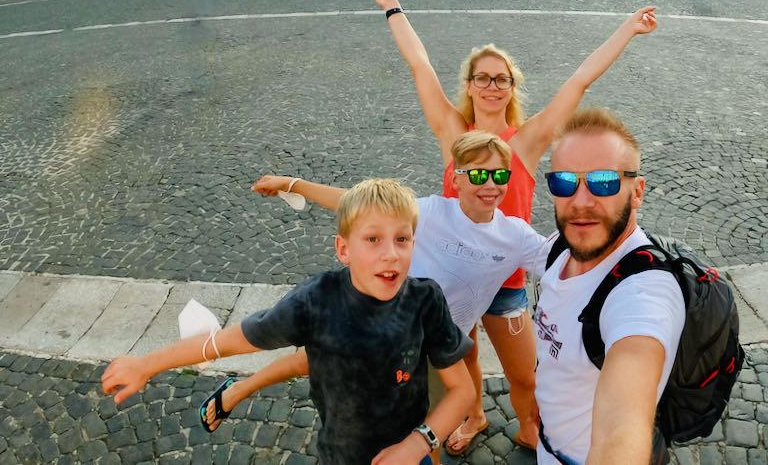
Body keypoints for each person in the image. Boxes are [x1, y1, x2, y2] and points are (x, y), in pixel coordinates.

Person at [373, 0, 657, 453]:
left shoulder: (525, 141)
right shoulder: (453, 134)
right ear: (469, 85)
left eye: (500, 78)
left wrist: (626, 29)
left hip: (505, 285)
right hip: (450, 282)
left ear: (510, 88)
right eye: (482, 77)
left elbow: (579, 81)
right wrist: (393, 8)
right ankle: (476, 416)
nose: (491, 85)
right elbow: (419, 64)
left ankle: (530, 425)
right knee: (461, 362)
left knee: (525, 374)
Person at [202, 132, 553, 450]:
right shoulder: (429, 212)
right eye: (478, 174)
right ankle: (237, 390)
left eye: (500, 175)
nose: (490, 184)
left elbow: (567, 263)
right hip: (380, 316)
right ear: (455, 180)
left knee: (423, 431)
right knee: (308, 359)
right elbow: (352, 202)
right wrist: (294, 184)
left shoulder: (516, 236)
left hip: (432, 348)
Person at [101, 179, 474, 465]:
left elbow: (463, 391)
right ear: (343, 249)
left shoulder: (426, 299)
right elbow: (226, 341)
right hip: (341, 455)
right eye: (373, 239)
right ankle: (237, 390)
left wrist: (419, 442)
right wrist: (147, 363)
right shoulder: (315, 301)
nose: (390, 254)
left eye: (402, 239)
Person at [535, 107, 685, 465]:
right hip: (547, 444)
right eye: (564, 182)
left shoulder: (644, 294)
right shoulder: (559, 246)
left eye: (604, 181)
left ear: (638, 191)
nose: (581, 201)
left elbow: (623, 429)